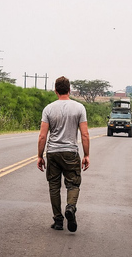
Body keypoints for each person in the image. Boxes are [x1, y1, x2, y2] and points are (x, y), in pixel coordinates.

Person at [37, 76, 90, 232]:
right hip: (70, 153)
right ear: (69, 89)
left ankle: (58, 221)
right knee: (73, 183)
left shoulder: (48, 109)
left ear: (55, 90)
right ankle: (71, 208)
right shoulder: (79, 108)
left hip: (52, 153)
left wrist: (40, 156)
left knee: (54, 187)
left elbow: (42, 136)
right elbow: (85, 134)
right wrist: (86, 155)